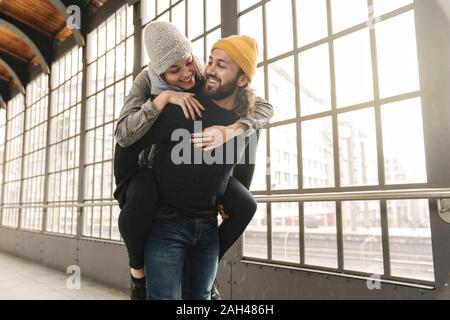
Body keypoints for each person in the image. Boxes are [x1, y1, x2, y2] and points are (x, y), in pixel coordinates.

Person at [113, 21, 273, 299]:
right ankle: (137, 274)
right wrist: (164, 98)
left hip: (206, 222)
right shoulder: (155, 89)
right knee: (142, 196)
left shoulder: (215, 91)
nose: (191, 73)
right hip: (157, 196)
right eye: (174, 70)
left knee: (246, 203)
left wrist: (231, 131)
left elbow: (259, 118)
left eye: (191, 63)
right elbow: (124, 140)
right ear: (160, 71)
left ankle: (208, 271)